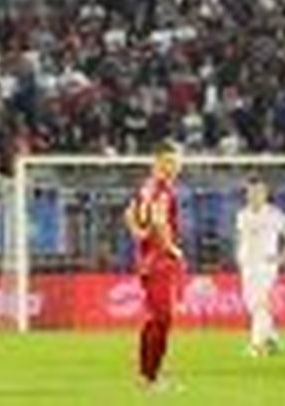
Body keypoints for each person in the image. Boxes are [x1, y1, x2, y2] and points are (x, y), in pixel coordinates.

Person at [124, 144, 184, 393]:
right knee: (163, 318)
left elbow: (128, 213)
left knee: (154, 319)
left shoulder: (145, 188)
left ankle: (147, 375)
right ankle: (151, 378)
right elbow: (159, 220)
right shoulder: (162, 190)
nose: (175, 167)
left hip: (146, 260)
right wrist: (172, 248)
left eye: (176, 162)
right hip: (160, 260)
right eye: (170, 161)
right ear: (159, 163)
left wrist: (137, 233)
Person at [233, 179, 285, 357]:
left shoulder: (274, 215)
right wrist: (239, 255)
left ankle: (256, 345)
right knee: (252, 304)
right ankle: (272, 339)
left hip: (266, 266)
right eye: (250, 192)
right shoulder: (242, 215)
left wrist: (281, 258)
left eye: (258, 192)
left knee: (260, 303)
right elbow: (241, 237)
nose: (254, 196)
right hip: (247, 265)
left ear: (265, 194)